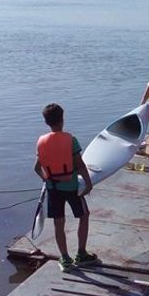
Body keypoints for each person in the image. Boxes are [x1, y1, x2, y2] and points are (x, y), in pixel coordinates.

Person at [34, 103, 99, 272]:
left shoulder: (41, 141)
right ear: (62, 119)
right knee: (84, 216)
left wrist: (46, 179)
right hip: (71, 187)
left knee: (58, 222)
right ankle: (81, 254)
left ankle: (65, 258)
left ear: (46, 122)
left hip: (52, 188)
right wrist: (89, 183)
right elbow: (80, 164)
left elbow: (36, 168)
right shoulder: (71, 140)